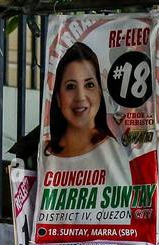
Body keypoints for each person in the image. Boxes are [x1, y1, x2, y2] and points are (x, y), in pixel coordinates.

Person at [43, 42, 131, 189]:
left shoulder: (112, 151)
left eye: (89, 85)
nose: (80, 97)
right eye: (71, 86)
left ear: (100, 92)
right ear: (58, 97)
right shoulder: (43, 153)